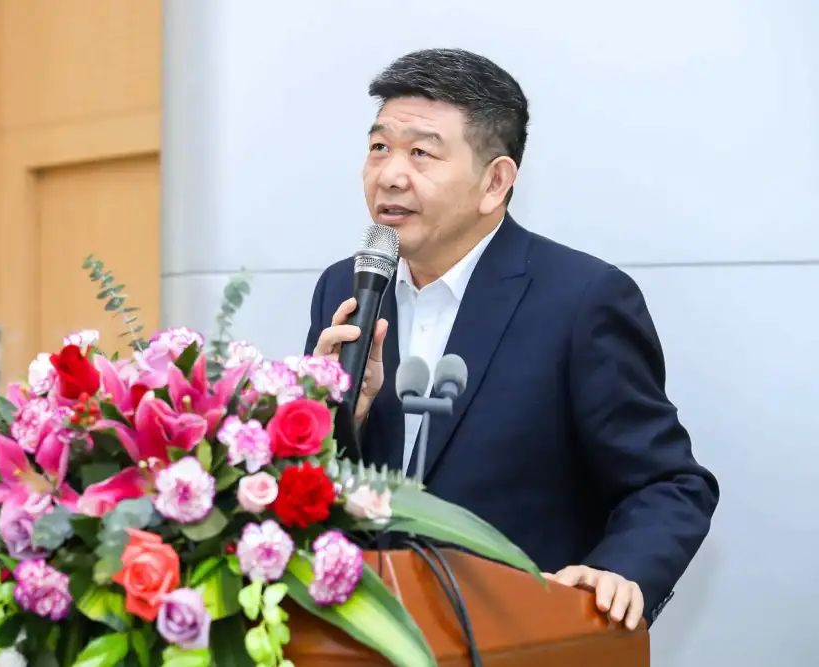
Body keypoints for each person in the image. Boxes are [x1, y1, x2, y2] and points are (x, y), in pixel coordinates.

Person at [305, 48, 718, 629]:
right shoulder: (343, 288)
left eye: (421, 153)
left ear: (494, 181)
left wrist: (616, 572)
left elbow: (668, 483)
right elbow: (323, 484)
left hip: (519, 635)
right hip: (362, 634)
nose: (390, 175)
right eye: (379, 147)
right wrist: (336, 419)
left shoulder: (581, 300)